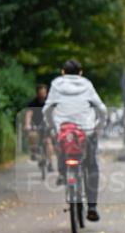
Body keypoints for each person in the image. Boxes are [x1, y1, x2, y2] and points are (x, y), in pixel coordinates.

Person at [43, 59, 109, 221]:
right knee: (91, 165)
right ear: (80, 72)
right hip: (86, 131)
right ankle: (92, 206)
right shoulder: (86, 84)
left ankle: (63, 174)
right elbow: (102, 109)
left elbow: (47, 110)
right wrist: (98, 127)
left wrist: (53, 127)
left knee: (62, 152)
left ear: (63, 72)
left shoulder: (56, 84)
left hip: (64, 131)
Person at [25, 83, 55, 171]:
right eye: (40, 93)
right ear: (37, 93)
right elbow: (28, 114)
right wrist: (27, 124)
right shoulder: (33, 103)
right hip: (36, 125)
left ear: (46, 93)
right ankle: (34, 151)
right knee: (32, 135)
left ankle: (50, 163)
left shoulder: (50, 102)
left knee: (49, 142)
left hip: (47, 124)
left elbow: (54, 113)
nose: (42, 95)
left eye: (44, 93)